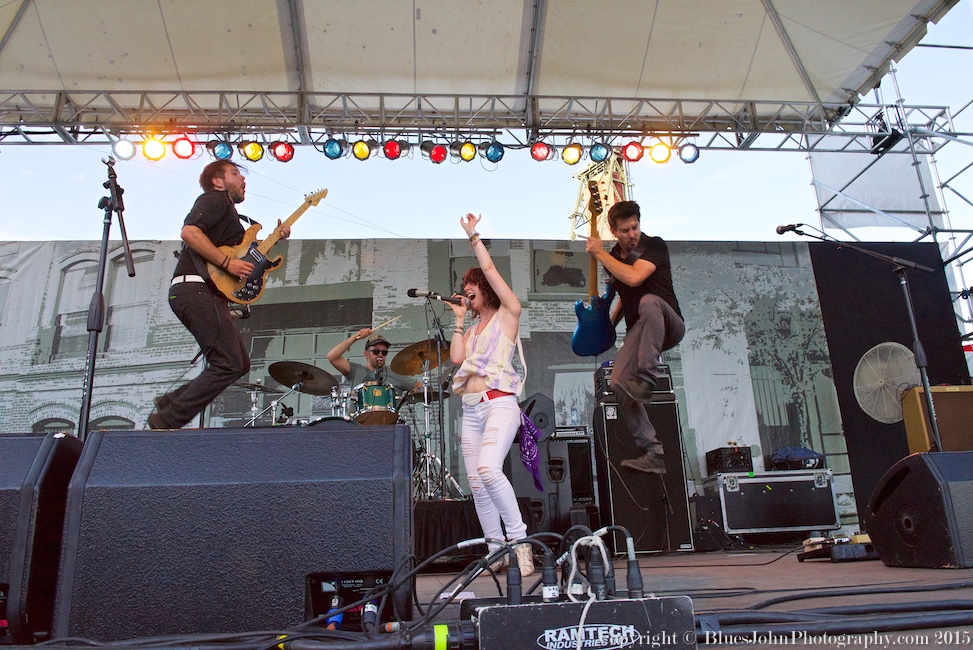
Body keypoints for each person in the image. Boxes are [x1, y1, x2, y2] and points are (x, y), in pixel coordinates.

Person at [148, 160, 290, 429]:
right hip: (196, 289)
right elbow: (190, 232)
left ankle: (170, 404)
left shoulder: (229, 216)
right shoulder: (215, 200)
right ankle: (167, 419)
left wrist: (275, 237)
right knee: (228, 362)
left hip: (203, 293)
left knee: (238, 363)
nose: (243, 180)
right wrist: (227, 265)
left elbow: (242, 255)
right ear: (218, 181)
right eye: (235, 174)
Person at [446, 213, 534, 576]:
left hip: (499, 404)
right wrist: (458, 319)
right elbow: (456, 359)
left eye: (472, 285)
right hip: (471, 410)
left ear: (484, 288)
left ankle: (520, 543)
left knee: (488, 469)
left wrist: (473, 237)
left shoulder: (507, 315)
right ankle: (497, 550)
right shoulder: (474, 329)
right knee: (478, 485)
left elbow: (493, 271)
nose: (467, 290)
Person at [584, 200, 685, 474]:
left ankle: (647, 377)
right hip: (639, 332)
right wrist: (605, 326)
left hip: (668, 322)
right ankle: (652, 451)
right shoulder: (616, 256)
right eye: (625, 230)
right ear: (613, 231)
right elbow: (620, 295)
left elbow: (633, 279)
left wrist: (599, 253)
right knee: (617, 382)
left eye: (635, 227)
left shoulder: (654, 245)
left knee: (649, 302)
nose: (632, 234)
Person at [326, 331, 418, 395]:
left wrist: (406, 398)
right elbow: (332, 357)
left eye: (384, 352)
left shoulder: (395, 373)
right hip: (358, 422)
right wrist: (355, 337)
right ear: (366, 354)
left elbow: (419, 387)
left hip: (388, 422)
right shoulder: (356, 370)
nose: (380, 355)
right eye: (376, 352)